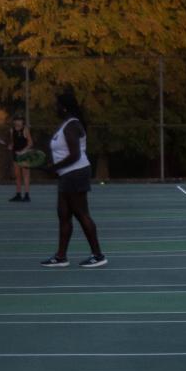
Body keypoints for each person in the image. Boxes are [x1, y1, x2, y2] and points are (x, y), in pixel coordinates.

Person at [40, 90, 106, 269]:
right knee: (63, 215)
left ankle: (98, 255)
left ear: (64, 107)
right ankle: (61, 256)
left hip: (75, 173)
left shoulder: (72, 125)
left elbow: (75, 155)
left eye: (57, 105)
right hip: (66, 175)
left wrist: (53, 168)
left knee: (81, 214)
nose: (55, 108)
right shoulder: (66, 124)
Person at [0, 115, 34, 202]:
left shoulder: (25, 130)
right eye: (16, 120)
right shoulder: (12, 130)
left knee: (25, 176)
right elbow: (13, 142)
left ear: (23, 122)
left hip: (25, 156)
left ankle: (26, 195)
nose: (18, 122)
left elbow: (30, 143)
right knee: (17, 176)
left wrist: (22, 151)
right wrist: (11, 146)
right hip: (15, 155)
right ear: (14, 122)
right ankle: (18, 195)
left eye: (20, 120)